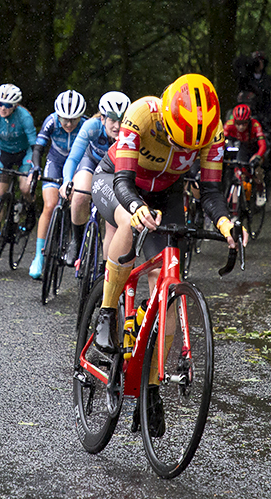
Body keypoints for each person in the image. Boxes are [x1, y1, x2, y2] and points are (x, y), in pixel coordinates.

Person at [89, 73, 247, 434]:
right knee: (129, 225)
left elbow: (209, 192)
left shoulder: (214, 133)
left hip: (166, 194)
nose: (182, 152)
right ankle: (106, 312)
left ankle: (150, 389)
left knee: (168, 290)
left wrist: (226, 224)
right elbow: (123, 182)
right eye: (177, 143)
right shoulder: (142, 112)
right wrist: (135, 207)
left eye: (189, 150)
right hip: (116, 179)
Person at [59, 91, 131, 266]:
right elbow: (73, 158)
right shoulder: (91, 126)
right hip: (91, 163)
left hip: (115, 171)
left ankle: (107, 268)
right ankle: (76, 240)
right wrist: (67, 180)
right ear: (103, 119)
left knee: (113, 223)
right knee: (80, 195)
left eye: (121, 120)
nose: (117, 126)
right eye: (112, 120)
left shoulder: (130, 132)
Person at [28, 90, 87, 279]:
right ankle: (39, 256)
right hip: (55, 161)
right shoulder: (52, 121)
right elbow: (38, 147)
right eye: (65, 119)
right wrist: (36, 167)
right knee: (50, 205)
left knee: (77, 200)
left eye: (73, 119)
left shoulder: (86, 125)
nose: (68, 124)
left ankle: (76, 246)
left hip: (78, 164)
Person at [0, 84, 37, 219]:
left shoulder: (25, 117)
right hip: (3, 153)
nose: (3, 108)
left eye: (7, 105)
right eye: (0, 103)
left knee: (25, 188)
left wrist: (36, 167)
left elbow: (35, 146)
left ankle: (30, 210)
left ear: (15, 105)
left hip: (24, 153)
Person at [223, 103, 267, 206]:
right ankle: (236, 206)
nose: (241, 126)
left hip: (255, 147)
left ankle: (260, 190)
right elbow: (221, 140)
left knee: (257, 168)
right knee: (237, 171)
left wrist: (258, 156)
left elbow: (262, 145)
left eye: (244, 123)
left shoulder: (255, 125)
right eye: (238, 123)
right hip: (242, 147)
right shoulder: (229, 124)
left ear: (249, 121)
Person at [234, 51, 271, 134]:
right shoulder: (246, 78)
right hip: (248, 113)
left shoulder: (267, 79)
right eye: (257, 61)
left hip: (264, 112)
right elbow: (237, 64)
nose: (258, 63)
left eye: (261, 61)